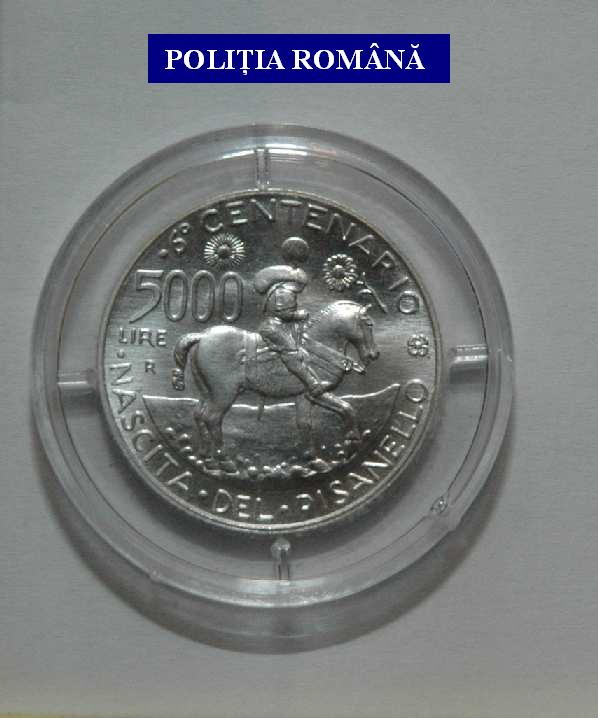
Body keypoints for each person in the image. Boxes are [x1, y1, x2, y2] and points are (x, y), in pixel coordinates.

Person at [253, 263, 325, 398]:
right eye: (302, 285)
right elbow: (283, 314)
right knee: (291, 350)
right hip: (273, 327)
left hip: (279, 326)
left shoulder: (280, 290)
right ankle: (311, 384)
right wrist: (299, 315)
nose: (302, 288)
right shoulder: (284, 292)